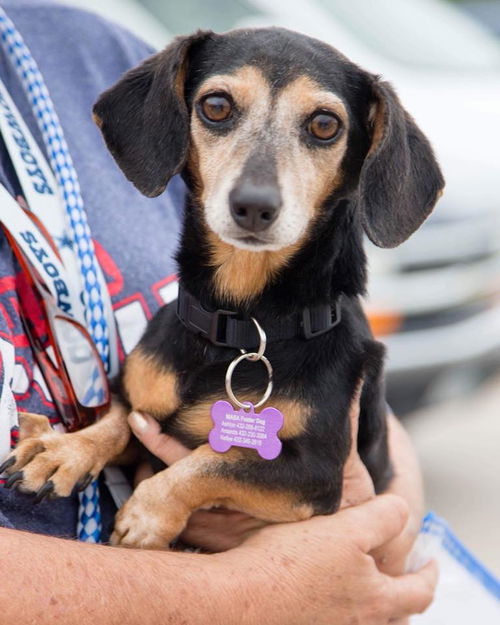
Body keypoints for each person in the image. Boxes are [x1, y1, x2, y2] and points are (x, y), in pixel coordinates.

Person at [0, 1, 437, 623]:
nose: (258, 189)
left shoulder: (86, 47)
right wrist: (251, 591)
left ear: (360, 157)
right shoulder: (166, 342)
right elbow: (140, 411)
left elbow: (352, 424)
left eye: (320, 128)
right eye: (220, 111)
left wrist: (390, 521)